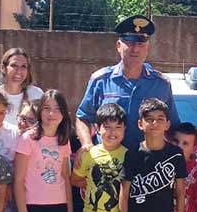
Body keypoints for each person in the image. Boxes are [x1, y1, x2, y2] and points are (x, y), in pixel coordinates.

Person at [76, 15, 180, 152]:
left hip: (146, 165)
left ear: (147, 48)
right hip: (109, 164)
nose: (135, 49)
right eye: (129, 43)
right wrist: (87, 145)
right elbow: (82, 118)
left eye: (141, 44)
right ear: (119, 46)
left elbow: (173, 127)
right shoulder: (100, 80)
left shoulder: (161, 84)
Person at [0, 48, 44, 127]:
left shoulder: (36, 94)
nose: (19, 71)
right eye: (14, 65)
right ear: (3, 68)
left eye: (23, 66)